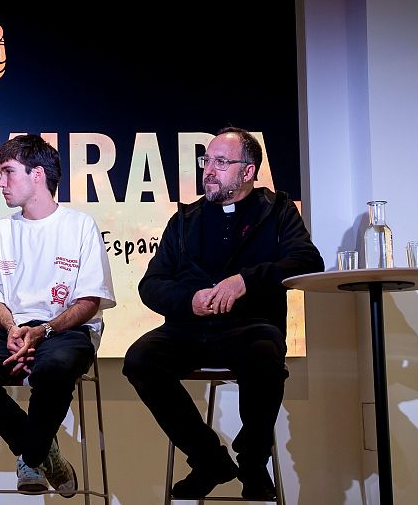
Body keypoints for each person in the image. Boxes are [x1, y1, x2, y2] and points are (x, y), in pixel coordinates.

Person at [123, 127, 324, 500]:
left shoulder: (277, 210)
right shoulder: (184, 220)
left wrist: (246, 281)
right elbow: (150, 285)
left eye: (220, 162)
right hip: (189, 329)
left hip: (250, 327)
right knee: (140, 359)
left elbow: (308, 260)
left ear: (247, 172)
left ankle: (252, 462)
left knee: (265, 355)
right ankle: (208, 459)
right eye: (206, 161)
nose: (208, 170)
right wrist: (191, 300)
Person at [0, 134, 115, 497]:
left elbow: (90, 300)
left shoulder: (79, 226)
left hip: (65, 328)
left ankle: (30, 457)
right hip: (7, 329)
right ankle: (44, 451)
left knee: (54, 370)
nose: (1, 183)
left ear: (38, 175)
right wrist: (13, 327)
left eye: (9, 172)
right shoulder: (1, 229)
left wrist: (42, 331)